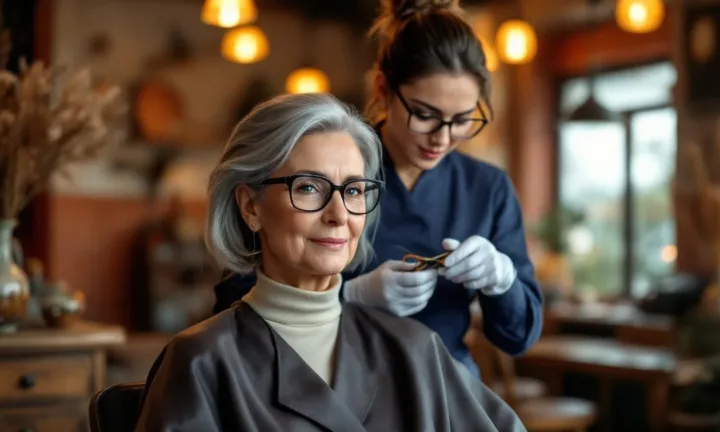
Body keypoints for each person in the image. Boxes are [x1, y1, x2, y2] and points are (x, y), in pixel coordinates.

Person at [134, 93, 526, 432]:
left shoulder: (415, 348)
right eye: (308, 187)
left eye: (354, 190)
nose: (339, 214)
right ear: (251, 207)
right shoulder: (201, 362)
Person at [212, 0, 543, 377]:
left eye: (463, 120)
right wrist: (348, 296)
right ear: (384, 89)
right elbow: (230, 302)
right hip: (327, 381)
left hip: (445, 386)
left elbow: (519, 337)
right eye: (425, 114)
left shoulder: (487, 188)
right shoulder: (333, 166)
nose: (443, 137)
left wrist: (502, 280)